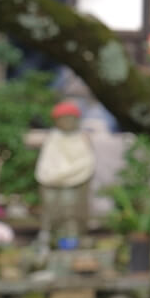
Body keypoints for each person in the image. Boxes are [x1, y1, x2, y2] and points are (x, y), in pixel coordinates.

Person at [35, 100, 94, 250]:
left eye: (70, 118)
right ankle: (49, 238)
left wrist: (68, 174)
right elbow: (47, 166)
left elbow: (85, 163)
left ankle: (73, 240)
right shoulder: (53, 139)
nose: (67, 122)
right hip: (52, 181)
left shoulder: (81, 138)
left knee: (72, 212)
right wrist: (57, 176)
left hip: (76, 181)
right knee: (52, 210)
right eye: (64, 118)